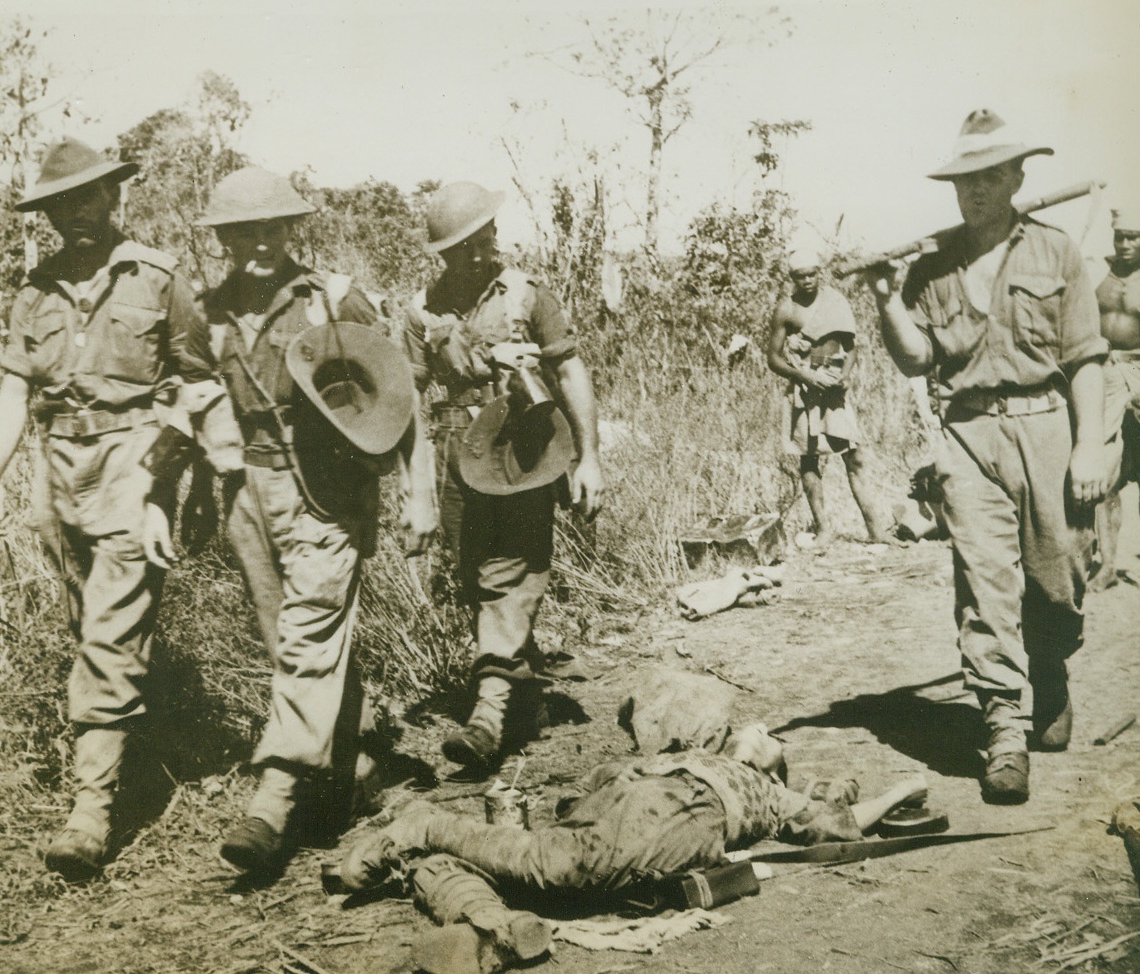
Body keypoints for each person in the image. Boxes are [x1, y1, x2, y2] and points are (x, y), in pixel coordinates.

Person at [142, 167, 436, 874]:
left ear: (291, 230)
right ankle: (357, 767)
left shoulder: (331, 302)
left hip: (328, 491)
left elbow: (398, 396)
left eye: (273, 228)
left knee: (308, 634)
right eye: (245, 230)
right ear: (223, 237)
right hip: (246, 488)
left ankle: (272, 802)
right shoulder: (207, 314)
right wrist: (159, 494)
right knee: (293, 642)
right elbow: (185, 405)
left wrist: (418, 489)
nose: (260, 244)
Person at [0, 138, 216, 880]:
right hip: (56, 470)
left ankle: (91, 809)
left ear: (113, 198)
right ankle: (132, 750)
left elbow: (199, 384)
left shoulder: (158, 279)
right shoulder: (35, 290)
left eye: (88, 198)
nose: (75, 215)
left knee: (109, 632)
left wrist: (176, 482)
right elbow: (15, 391)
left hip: (131, 462)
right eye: (59, 205)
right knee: (89, 626)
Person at [866, 110, 1108, 804]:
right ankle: (1003, 727)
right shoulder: (932, 267)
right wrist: (888, 301)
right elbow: (917, 357)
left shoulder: (1056, 252)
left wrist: (1090, 442)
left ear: (1017, 178)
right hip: (969, 436)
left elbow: (1086, 355)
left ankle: (1051, 668)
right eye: (965, 180)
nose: (975, 191)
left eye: (990, 176)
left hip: (1048, 426)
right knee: (984, 585)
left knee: (1058, 574)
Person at [330, 723, 926, 973]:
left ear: (775, 765)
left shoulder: (772, 795)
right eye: (756, 728)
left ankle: (491, 923)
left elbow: (844, 825)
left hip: (690, 811)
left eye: (771, 738)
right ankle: (427, 827)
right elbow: (588, 793)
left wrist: (902, 790)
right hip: (637, 799)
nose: (763, 731)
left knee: (556, 868)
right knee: (560, 863)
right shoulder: (687, 746)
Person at [402, 182, 605, 770]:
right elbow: (409, 395)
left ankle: (488, 711)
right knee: (476, 579)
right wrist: (415, 486)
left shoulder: (525, 296)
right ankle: (526, 699)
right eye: (462, 245)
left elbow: (570, 369)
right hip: (456, 453)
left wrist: (588, 457)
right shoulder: (420, 311)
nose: (478, 252)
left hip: (524, 450)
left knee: (511, 572)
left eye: (483, 237)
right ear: (444, 252)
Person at [766, 247, 885, 544]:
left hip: (833, 387)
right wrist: (803, 375)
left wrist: (844, 376)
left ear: (819, 273)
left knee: (854, 457)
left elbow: (851, 344)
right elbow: (773, 358)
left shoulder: (835, 301)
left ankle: (876, 530)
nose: (807, 280)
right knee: (808, 460)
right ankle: (824, 529)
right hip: (804, 389)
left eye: (811, 274)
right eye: (800, 276)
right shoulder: (787, 309)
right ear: (792, 277)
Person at [1090, 205, 1140, 591]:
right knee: (1104, 471)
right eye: (1119, 236)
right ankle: (1107, 566)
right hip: (1106, 372)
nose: (1124, 244)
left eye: (1133, 236)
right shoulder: (1100, 273)